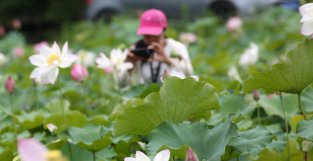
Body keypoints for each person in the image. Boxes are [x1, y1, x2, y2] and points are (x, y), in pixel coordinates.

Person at [117, 9, 193, 87]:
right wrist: (130, 66)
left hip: (173, 95)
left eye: (155, 35)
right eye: (147, 35)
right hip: (145, 97)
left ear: (164, 31)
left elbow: (189, 75)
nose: (151, 39)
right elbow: (120, 85)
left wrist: (168, 60)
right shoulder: (138, 49)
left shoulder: (177, 47)